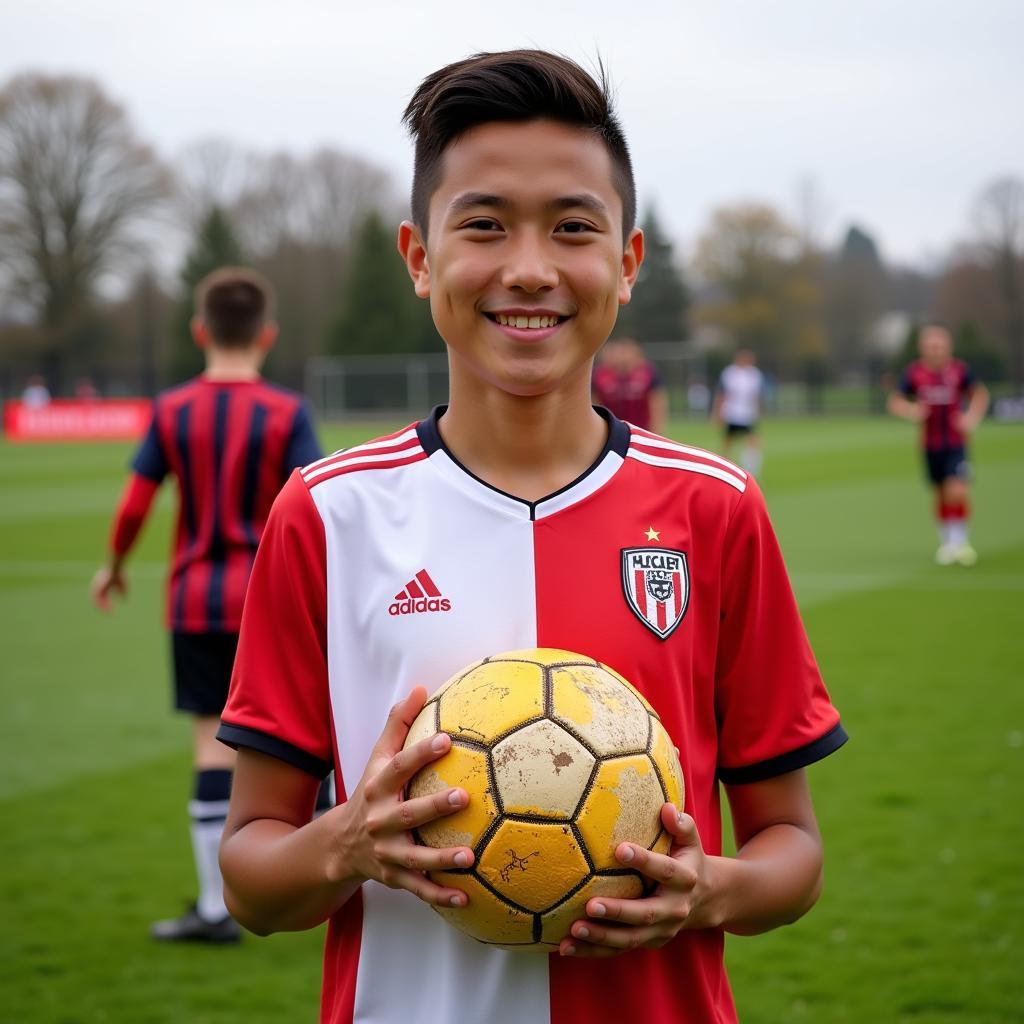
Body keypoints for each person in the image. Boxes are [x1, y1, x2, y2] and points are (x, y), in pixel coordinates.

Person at [217, 51, 847, 1024]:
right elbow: (253, 882)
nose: (528, 268)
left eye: (571, 227)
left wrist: (706, 890)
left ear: (626, 263)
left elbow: (791, 853)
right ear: (419, 257)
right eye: (483, 224)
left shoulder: (713, 507)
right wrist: (348, 841)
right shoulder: (328, 514)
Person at [90, 266, 323, 942]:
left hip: (194, 603)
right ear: (268, 336)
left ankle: (218, 908)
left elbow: (136, 500)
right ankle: (327, 887)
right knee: (311, 744)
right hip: (269, 605)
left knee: (210, 746)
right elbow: (311, 502)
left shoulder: (172, 410)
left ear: (200, 331)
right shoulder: (286, 412)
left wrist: (113, 567)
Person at [888, 324, 989, 565]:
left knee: (958, 489)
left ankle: (961, 542)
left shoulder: (959, 371)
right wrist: (912, 410)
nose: (935, 350)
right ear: (922, 348)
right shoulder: (915, 373)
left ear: (948, 346)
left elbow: (980, 394)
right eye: (930, 346)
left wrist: (971, 418)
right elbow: (895, 401)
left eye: (939, 345)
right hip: (930, 444)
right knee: (941, 492)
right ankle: (947, 543)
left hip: (956, 443)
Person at [591, 336, 667, 432]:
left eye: (627, 352)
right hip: (612, 432)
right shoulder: (599, 375)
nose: (623, 357)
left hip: (642, 430)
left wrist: (655, 430)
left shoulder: (647, 373)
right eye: (620, 352)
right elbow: (594, 404)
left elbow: (657, 402)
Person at [712, 348, 764, 475]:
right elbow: (722, 393)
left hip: (747, 414)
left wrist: (758, 411)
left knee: (753, 441)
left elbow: (756, 395)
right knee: (727, 442)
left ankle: (751, 469)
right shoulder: (729, 373)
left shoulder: (754, 374)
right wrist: (717, 412)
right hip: (732, 413)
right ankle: (723, 468)